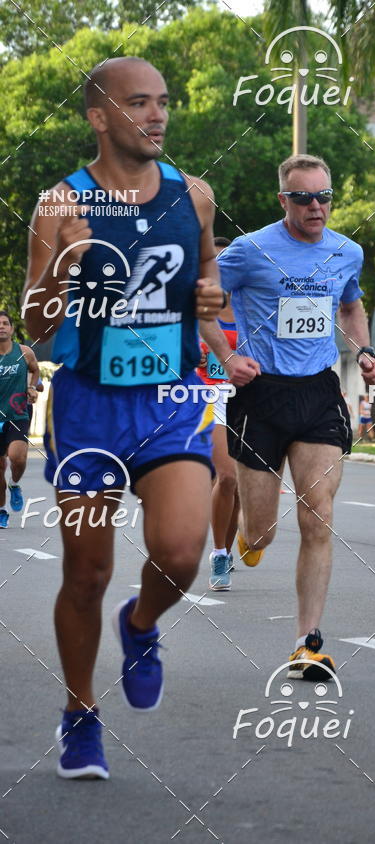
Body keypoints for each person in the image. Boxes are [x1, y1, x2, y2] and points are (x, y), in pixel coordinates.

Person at [22, 56, 226, 779]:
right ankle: (80, 714)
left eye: (163, 101)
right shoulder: (60, 203)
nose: (157, 115)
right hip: (89, 405)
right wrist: (63, 264)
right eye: (138, 103)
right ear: (99, 117)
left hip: (170, 398)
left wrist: (211, 299)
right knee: (87, 572)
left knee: (181, 551)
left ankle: (140, 626)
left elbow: (208, 274)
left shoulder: (193, 195)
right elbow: (37, 325)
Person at [200, 153, 375, 680]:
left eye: (324, 196)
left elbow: (350, 305)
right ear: (284, 200)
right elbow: (200, 303)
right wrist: (227, 357)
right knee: (261, 535)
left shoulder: (347, 251)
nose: (316, 206)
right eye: (304, 198)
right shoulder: (249, 250)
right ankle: (245, 536)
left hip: (319, 393)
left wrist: (365, 350)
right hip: (261, 395)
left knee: (317, 514)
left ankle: (307, 643)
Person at [197, 236, 250, 591]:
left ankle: (227, 550)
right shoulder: (197, 311)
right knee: (227, 477)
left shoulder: (251, 307)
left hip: (247, 400)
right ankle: (217, 553)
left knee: (242, 488)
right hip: (207, 397)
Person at [0, 311, 39, 527]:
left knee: (18, 457)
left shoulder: (24, 352)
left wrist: (32, 387)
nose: (1, 327)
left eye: (5, 323)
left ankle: (14, 483)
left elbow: (35, 371)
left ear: (12, 328)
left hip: (17, 412)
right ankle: (2, 510)